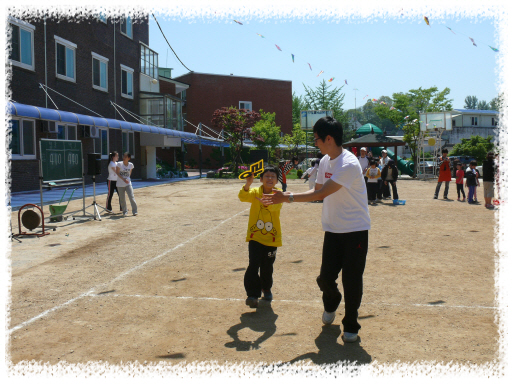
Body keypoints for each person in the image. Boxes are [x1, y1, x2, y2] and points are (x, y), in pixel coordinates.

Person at [260, 116, 370, 344]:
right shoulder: (324, 162)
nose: (316, 143)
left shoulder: (348, 164)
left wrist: (285, 198)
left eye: (317, 139)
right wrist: (287, 194)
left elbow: (320, 194)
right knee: (325, 278)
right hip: (332, 229)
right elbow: (316, 192)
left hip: (355, 230)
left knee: (352, 280)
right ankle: (332, 301)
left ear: (329, 138)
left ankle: (351, 324)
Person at [238, 166, 283, 309]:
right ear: (261, 179)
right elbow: (243, 197)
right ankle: (252, 295)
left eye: (273, 176)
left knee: (267, 266)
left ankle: (266, 288)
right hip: (255, 236)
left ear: (277, 180)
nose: (270, 179)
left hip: (271, 237)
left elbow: (277, 207)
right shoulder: (256, 192)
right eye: (267, 176)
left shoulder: (279, 193)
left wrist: (268, 204)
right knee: (253, 264)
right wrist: (248, 184)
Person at [116, 152, 138, 216]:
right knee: (122, 199)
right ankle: (125, 211)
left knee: (131, 197)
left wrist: (127, 179)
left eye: (125, 157)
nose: (124, 158)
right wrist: (123, 179)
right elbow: (117, 173)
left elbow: (129, 173)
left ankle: (135, 211)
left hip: (128, 184)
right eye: (123, 156)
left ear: (129, 158)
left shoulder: (131, 165)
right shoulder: (119, 164)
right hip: (120, 184)